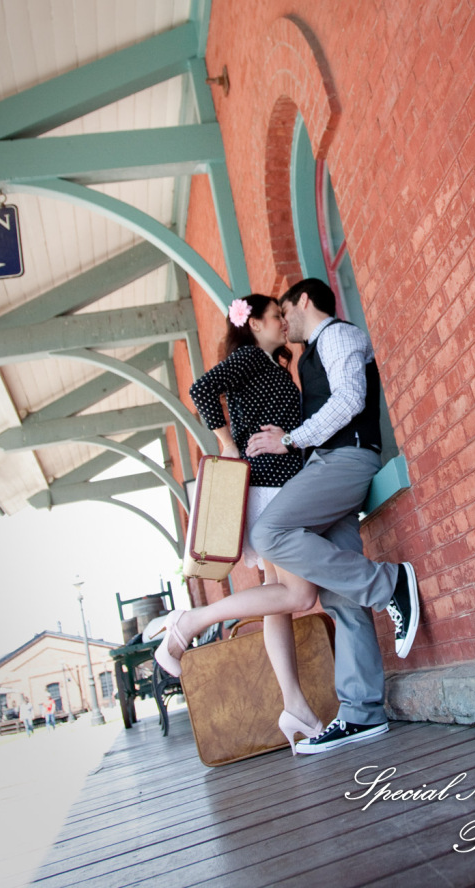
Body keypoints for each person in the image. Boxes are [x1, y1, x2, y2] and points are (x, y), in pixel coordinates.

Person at [245, 278, 420, 754]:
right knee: (342, 596)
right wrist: (294, 433)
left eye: (286, 311)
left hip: (348, 460)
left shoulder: (340, 336)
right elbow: (328, 409)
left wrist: (291, 439)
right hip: (326, 464)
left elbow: (350, 402)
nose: (284, 322)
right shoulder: (310, 356)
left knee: (269, 532)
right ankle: (363, 713)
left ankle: (389, 584)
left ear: (305, 301)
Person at [153, 294, 323, 753]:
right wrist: (228, 443)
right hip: (268, 490)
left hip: (279, 487)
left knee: (280, 601)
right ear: (254, 325)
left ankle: (294, 707)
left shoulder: (270, 364)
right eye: (275, 317)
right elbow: (202, 389)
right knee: (300, 593)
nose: (283, 323)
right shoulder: (249, 357)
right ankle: (191, 622)